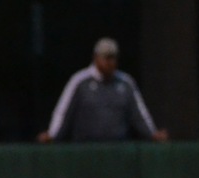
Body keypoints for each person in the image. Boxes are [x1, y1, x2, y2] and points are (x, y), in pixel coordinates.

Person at [38, 37, 170, 143]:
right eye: (106, 58)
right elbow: (63, 112)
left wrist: (152, 134)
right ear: (96, 58)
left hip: (118, 149)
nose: (110, 62)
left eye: (113, 58)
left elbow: (139, 114)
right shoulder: (80, 81)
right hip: (86, 149)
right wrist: (53, 134)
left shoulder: (126, 82)